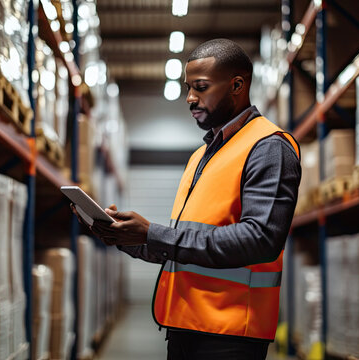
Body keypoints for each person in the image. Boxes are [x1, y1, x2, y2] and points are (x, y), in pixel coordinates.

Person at [78, 38, 301, 360]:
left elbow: (261, 238)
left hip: (230, 334)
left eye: (201, 87)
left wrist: (153, 232)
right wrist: (120, 235)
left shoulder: (268, 147)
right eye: (188, 88)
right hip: (185, 325)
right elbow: (181, 248)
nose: (190, 98)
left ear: (237, 85)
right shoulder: (202, 155)